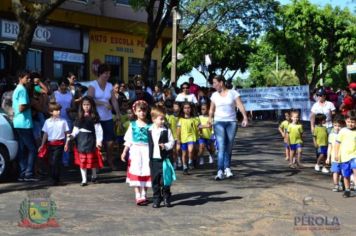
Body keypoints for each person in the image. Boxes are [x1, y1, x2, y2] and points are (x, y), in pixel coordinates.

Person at [208, 75, 248, 180]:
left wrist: (245, 118)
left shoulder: (233, 93)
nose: (213, 85)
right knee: (221, 147)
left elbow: (240, 105)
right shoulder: (214, 95)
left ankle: (227, 168)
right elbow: (211, 109)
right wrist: (209, 119)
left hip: (231, 122)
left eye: (215, 82)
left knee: (229, 147)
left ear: (221, 83)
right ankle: (220, 170)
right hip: (218, 122)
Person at [65, 96, 104, 186]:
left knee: (92, 161)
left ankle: (94, 176)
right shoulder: (79, 117)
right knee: (83, 161)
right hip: (81, 141)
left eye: (88, 105)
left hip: (91, 140)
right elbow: (75, 131)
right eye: (84, 105)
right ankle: (84, 180)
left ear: (91, 106)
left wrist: (99, 141)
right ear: (81, 106)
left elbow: (99, 130)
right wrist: (71, 136)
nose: (86, 106)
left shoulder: (94, 117)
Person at [88, 63, 120, 170]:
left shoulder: (110, 85)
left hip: (108, 117)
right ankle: (96, 162)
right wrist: (102, 103)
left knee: (110, 141)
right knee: (97, 141)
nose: (107, 75)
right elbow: (89, 100)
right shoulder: (93, 85)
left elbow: (114, 100)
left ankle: (110, 161)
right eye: (105, 73)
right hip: (96, 117)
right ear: (100, 73)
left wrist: (118, 113)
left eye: (109, 74)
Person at [121, 100, 152, 205]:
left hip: (147, 149)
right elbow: (128, 140)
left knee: (146, 170)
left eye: (144, 111)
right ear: (135, 112)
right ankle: (137, 194)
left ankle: (144, 193)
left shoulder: (150, 125)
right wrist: (124, 152)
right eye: (139, 111)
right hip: (135, 150)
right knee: (136, 170)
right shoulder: (132, 125)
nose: (142, 113)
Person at [12, 71, 39, 182]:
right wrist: (31, 104)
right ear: (20, 78)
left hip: (18, 122)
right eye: (27, 78)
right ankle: (28, 173)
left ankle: (23, 173)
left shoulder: (17, 89)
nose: (29, 80)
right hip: (24, 124)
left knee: (23, 149)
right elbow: (21, 108)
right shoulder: (22, 90)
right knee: (32, 149)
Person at [148, 106, 175, 208]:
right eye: (161, 119)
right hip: (154, 159)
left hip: (164, 159)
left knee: (165, 180)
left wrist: (166, 146)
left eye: (164, 119)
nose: (163, 121)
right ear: (153, 119)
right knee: (155, 180)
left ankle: (166, 197)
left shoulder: (166, 130)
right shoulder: (149, 130)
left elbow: (172, 142)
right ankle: (156, 198)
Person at [39, 102, 69, 185]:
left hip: (59, 144)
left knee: (56, 161)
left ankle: (55, 179)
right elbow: (45, 134)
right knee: (51, 161)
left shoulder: (63, 121)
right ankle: (55, 178)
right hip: (50, 144)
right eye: (56, 110)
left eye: (59, 110)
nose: (59, 112)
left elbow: (67, 133)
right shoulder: (47, 122)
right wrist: (42, 144)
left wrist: (67, 143)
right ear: (51, 112)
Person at [334, 110, 356, 198]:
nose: (350, 124)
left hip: (354, 155)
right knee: (346, 175)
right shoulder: (343, 131)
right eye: (349, 122)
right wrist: (336, 154)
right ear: (346, 121)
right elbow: (337, 143)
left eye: (353, 122)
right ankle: (347, 189)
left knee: (355, 169)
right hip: (344, 157)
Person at [177, 102, 200, 175]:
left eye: (188, 108)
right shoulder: (180, 119)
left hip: (191, 137)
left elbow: (199, 126)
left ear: (191, 109)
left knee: (191, 150)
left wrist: (207, 125)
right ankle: (185, 167)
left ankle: (190, 161)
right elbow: (178, 130)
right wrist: (178, 140)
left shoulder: (194, 119)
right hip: (183, 139)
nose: (187, 109)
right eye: (185, 108)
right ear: (183, 109)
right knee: (184, 154)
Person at [326, 115, 345, 192]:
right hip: (334, 157)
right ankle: (336, 185)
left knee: (343, 172)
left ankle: (341, 182)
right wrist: (328, 157)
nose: (337, 127)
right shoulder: (331, 135)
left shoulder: (344, 134)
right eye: (335, 125)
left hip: (344, 157)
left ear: (343, 125)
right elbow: (330, 147)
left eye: (339, 126)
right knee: (335, 171)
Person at [164, 99, 178, 169]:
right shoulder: (164, 116)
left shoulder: (175, 116)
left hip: (175, 136)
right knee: (168, 151)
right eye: (167, 107)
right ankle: (169, 163)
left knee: (174, 150)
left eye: (170, 107)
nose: (169, 109)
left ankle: (175, 162)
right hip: (166, 136)